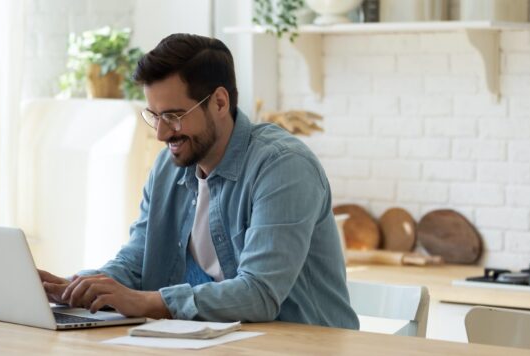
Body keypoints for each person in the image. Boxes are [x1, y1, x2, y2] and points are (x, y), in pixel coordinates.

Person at [38, 33, 359, 329]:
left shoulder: (283, 167)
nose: (161, 134)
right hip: (221, 342)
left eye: (173, 116)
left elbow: (259, 293)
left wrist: (146, 302)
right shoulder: (169, 166)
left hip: (303, 345)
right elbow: (138, 259)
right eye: (154, 116)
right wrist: (77, 287)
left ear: (219, 102)